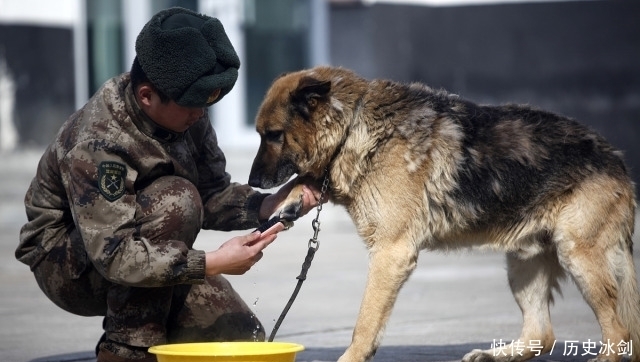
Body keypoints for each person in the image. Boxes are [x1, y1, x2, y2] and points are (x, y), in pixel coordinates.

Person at [15, 7, 321, 362]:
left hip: (147, 245)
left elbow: (212, 193)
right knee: (176, 199)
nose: (200, 114)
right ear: (147, 96)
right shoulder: (99, 142)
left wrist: (265, 206)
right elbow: (114, 255)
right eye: (193, 104)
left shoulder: (187, 112)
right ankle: (128, 348)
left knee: (239, 337)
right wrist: (213, 262)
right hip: (71, 263)